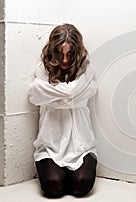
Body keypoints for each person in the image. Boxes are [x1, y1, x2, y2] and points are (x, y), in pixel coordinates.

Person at [28, 24, 98, 198]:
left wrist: (52, 95)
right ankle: (60, 172)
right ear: (53, 51)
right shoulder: (42, 70)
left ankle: (71, 172)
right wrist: (72, 95)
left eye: (69, 54)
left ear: (76, 52)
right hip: (50, 145)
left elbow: (72, 94)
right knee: (53, 188)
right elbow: (35, 94)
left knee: (82, 187)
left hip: (81, 146)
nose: (65, 60)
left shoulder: (86, 70)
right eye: (60, 53)